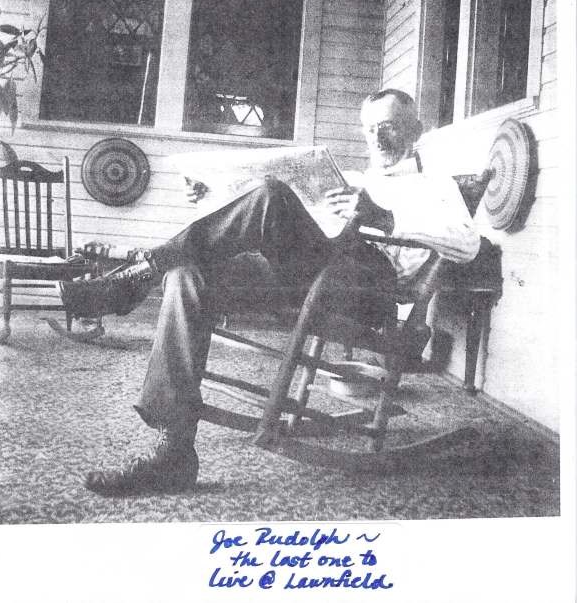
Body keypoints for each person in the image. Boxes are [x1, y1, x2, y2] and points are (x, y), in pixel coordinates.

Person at [60, 89, 480, 496]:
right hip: (305, 278)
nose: (375, 136)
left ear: (416, 129)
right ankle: (175, 452)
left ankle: (141, 270)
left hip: (364, 288)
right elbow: (270, 224)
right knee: (188, 274)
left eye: (387, 126)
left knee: (271, 195)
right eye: (368, 127)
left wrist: (385, 218)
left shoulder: (435, 186)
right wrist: (212, 195)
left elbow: (467, 245)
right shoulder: (350, 180)